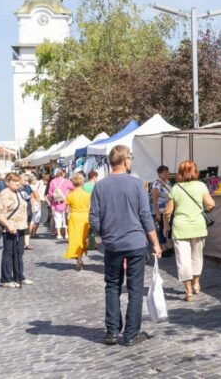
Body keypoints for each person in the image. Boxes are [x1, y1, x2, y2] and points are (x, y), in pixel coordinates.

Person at [89, 145, 161, 347]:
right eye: (130, 158)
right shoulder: (137, 185)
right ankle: (130, 334)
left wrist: (104, 234)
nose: (131, 161)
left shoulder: (100, 186)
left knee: (112, 287)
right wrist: (155, 243)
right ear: (124, 161)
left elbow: (93, 217)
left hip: (112, 244)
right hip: (135, 242)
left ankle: (112, 331)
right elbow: (145, 216)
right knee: (135, 289)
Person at [162, 161, 215, 301]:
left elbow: (167, 212)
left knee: (183, 260)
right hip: (198, 226)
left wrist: (166, 226)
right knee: (197, 256)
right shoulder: (201, 186)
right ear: (195, 172)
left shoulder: (175, 188)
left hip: (180, 228)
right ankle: (196, 283)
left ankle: (188, 292)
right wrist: (203, 209)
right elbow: (211, 204)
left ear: (179, 173)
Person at [0, 172, 32, 288]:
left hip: (21, 226)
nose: (17, 183)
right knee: (9, 252)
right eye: (14, 181)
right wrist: (8, 225)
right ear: (7, 183)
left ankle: (19, 276)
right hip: (10, 227)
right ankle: (6, 279)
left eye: (18, 180)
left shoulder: (18, 192)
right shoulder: (4, 194)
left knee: (19, 253)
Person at [64, 173, 91, 271]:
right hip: (85, 217)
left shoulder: (70, 195)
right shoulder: (87, 195)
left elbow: (66, 210)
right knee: (83, 238)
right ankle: (80, 257)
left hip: (74, 217)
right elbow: (90, 208)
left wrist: (65, 221)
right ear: (82, 182)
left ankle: (78, 258)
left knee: (75, 238)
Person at [150, 166, 174, 257]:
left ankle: (168, 246)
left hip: (168, 210)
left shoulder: (167, 182)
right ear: (159, 174)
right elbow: (154, 201)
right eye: (165, 172)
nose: (167, 174)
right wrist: (157, 214)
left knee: (167, 229)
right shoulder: (156, 184)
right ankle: (163, 249)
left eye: (168, 172)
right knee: (162, 230)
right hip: (161, 211)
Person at [47, 168, 73, 240]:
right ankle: (66, 234)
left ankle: (59, 234)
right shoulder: (67, 181)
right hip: (65, 202)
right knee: (65, 218)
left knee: (57, 219)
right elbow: (73, 188)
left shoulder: (52, 181)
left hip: (55, 204)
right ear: (62, 173)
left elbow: (50, 193)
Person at [27, 173, 43, 243]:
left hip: (30, 204)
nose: (36, 180)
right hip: (35, 204)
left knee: (31, 220)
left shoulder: (27, 187)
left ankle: (29, 234)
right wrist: (40, 205)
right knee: (36, 220)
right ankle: (33, 233)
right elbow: (37, 197)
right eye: (35, 179)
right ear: (32, 180)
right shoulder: (34, 187)